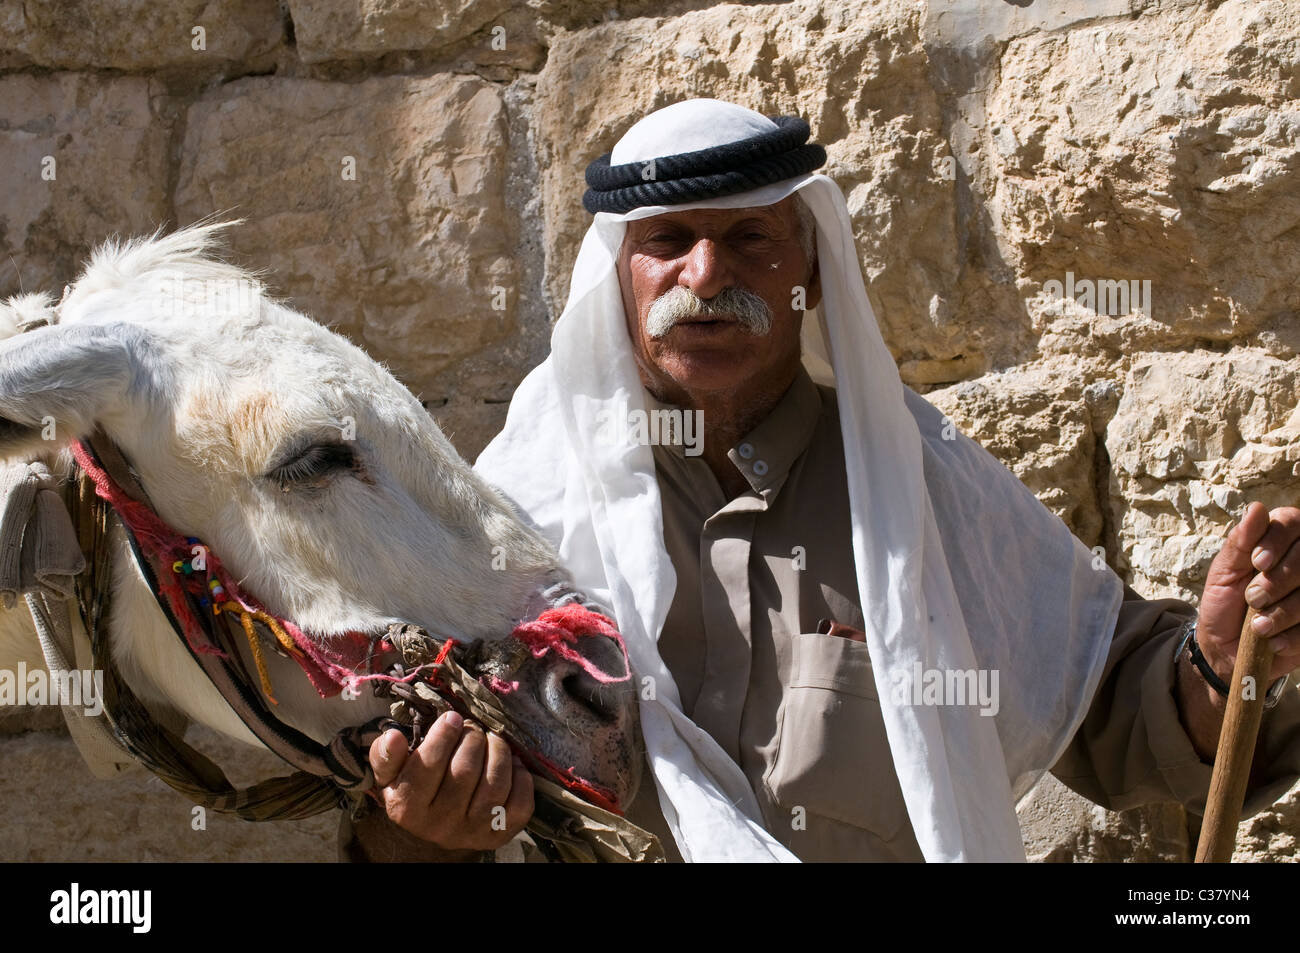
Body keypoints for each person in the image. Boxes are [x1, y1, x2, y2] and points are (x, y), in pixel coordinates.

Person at [362, 99, 1300, 862]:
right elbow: (400, 804)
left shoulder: (917, 486)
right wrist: (419, 831)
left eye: (750, 239)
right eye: (671, 238)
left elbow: (1118, 707)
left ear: (810, 269)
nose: (706, 271)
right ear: (619, 274)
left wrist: (1219, 662)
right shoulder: (507, 520)